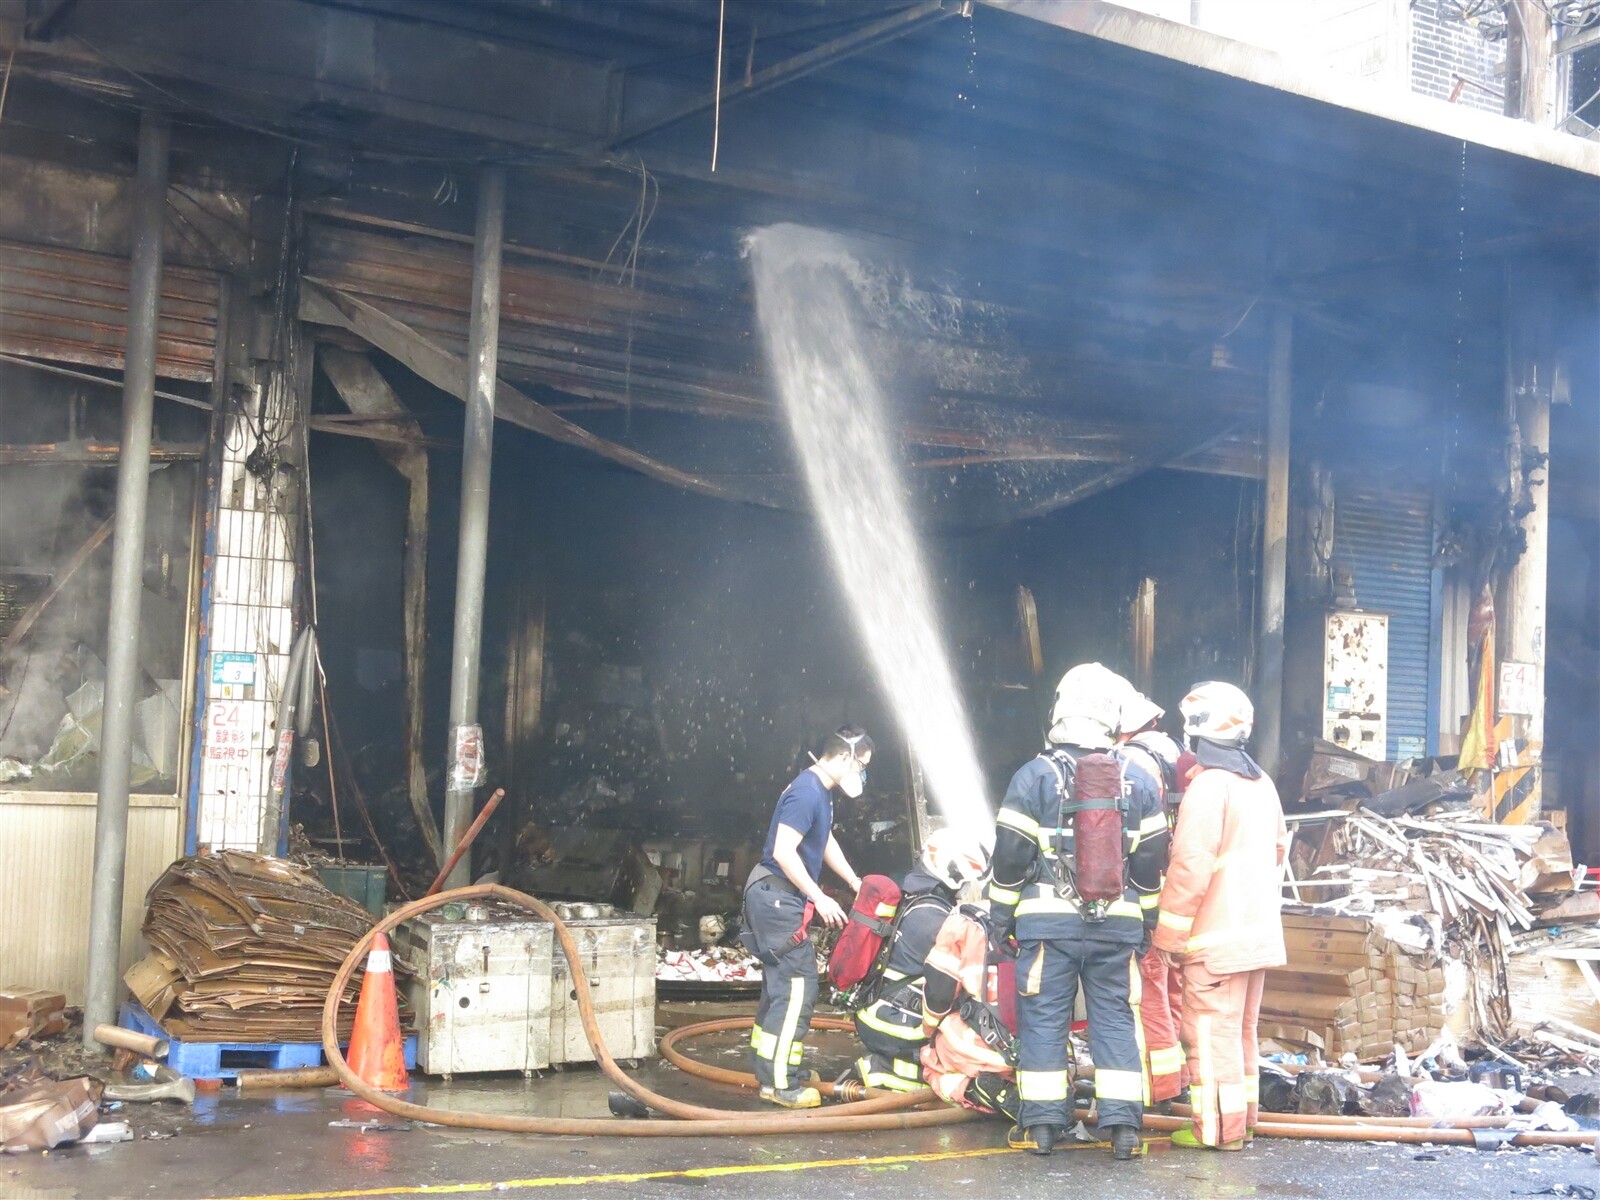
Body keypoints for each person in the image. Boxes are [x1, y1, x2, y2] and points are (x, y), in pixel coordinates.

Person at [988, 663, 1169, 1160]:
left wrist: (999, 919)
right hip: (1119, 929)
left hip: (1048, 930)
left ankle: (1044, 1127)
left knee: (1044, 1020)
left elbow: (1009, 857)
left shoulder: (1033, 777)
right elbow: (1153, 859)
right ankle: (1124, 1130)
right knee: (1113, 1021)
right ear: (1111, 716)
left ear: (1060, 711)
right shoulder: (1140, 780)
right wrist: (1145, 919)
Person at [1154, 682, 1290, 1151]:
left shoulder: (1209, 788)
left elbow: (1189, 868)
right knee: (1240, 1035)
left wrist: (1168, 937)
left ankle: (1215, 1131)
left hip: (1216, 945)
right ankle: (1242, 1121)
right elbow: (1277, 849)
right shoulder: (1261, 782)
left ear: (1197, 729)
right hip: (1256, 939)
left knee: (1211, 1039)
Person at [740, 726, 870, 1108]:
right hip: (777, 898)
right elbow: (784, 851)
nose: (862, 774)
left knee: (782, 988)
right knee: (798, 988)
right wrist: (820, 897)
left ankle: (775, 1068)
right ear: (844, 758)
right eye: (862, 765)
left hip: (777, 898)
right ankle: (781, 1085)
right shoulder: (807, 791)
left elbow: (824, 839)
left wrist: (853, 881)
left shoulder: (820, 793)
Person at [844, 828, 989, 1091]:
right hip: (896, 1027)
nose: (967, 888)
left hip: (878, 1014)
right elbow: (959, 984)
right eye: (965, 881)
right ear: (951, 872)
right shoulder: (933, 918)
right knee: (972, 1048)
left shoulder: (915, 898)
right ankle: (887, 1070)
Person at [1116, 692, 1189, 1106]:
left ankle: (1159, 1089)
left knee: (1148, 993)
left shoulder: (1132, 762)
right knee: (1173, 987)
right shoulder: (1174, 754)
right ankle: (1179, 1076)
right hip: (1174, 889)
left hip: (1146, 892)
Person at [919, 900, 1021, 1123]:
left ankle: (973, 1090)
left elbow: (939, 994)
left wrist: (929, 1030)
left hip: (982, 1047)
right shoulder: (1045, 920)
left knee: (931, 1064)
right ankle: (1051, 1093)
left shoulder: (963, 923)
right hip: (1042, 1049)